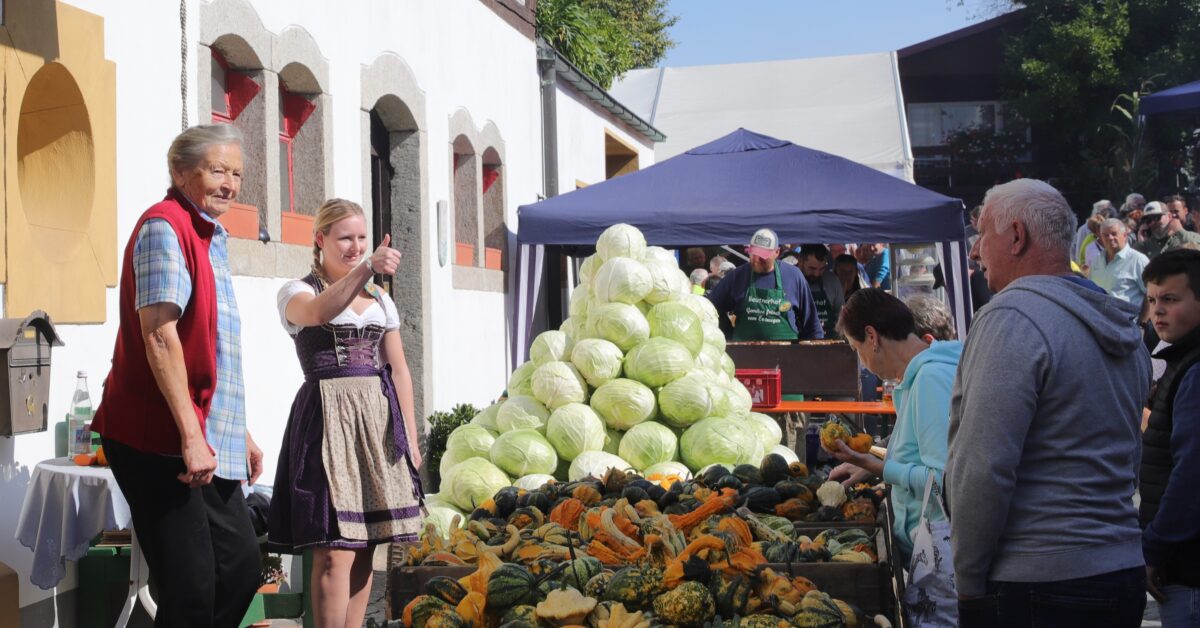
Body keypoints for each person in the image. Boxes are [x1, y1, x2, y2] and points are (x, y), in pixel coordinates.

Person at [947, 178, 1149, 627]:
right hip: (1119, 568)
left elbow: (982, 466)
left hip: (1039, 579)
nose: (976, 251)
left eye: (982, 234)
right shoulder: (1114, 319)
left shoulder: (1012, 316)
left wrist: (968, 582)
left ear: (1017, 236)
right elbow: (1128, 453)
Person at [90, 124, 261, 627]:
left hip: (201, 432)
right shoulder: (165, 228)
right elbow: (160, 336)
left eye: (236, 174)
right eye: (217, 171)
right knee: (190, 587)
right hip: (157, 437)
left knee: (240, 568)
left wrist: (236, 431)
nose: (229, 183)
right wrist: (191, 435)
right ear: (180, 171)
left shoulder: (207, 233)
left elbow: (209, 349)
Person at [268, 199, 424, 628]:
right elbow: (320, 313)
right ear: (320, 240)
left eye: (360, 237)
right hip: (326, 419)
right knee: (334, 546)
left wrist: (409, 436)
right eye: (344, 238)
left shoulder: (380, 299)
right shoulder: (297, 291)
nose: (355, 246)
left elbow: (398, 368)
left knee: (366, 547)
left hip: (376, 421)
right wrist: (366, 269)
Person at [827, 289, 961, 625]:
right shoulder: (922, 376)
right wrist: (869, 464)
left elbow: (943, 478)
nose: (862, 361)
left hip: (939, 555)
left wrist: (883, 469)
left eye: (857, 349)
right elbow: (922, 452)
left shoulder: (930, 379)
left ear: (872, 337)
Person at [1139, 249, 1200, 626]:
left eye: (1170, 300)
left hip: (1189, 569)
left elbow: (1191, 474)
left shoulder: (1194, 370)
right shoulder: (1182, 360)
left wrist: (1154, 547)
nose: (1157, 311)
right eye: (1151, 300)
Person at [707, 228, 823, 340]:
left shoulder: (793, 276)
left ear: (777, 252)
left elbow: (812, 325)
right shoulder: (737, 276)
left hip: (786, 355)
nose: (756, 260)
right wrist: (726, 332)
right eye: (753, 254)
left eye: (762, 256)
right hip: (745, 355)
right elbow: (709, 307)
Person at [1090, 218, 1150, 310]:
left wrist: (1143, 322)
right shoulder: (1096, 260)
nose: (1110, 238)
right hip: (1100, 321)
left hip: (1128, 322)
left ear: (1125, 235)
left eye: (1114, 234)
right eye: (1105, 235)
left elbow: (1151, 294)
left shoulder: (1138, 260)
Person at [796, 244, 845, 338]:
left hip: (827, 342)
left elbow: (841, 314)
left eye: (822, 269)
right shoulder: (790, 278)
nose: (817, 274)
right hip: (797, 344)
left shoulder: (832, 280)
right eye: (812, 268)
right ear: (800, 261)